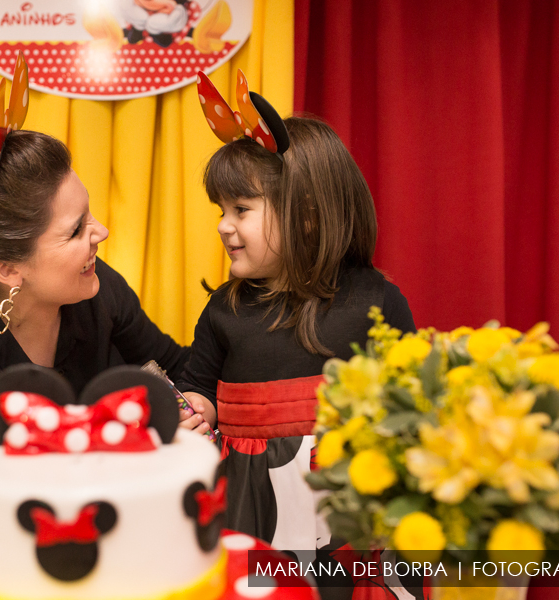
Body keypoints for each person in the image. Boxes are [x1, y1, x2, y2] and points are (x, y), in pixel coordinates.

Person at [0, 131, 190, 547]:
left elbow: (178, 367)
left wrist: (194, 404)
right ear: (6, 270)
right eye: (76, 230)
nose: (103, 232)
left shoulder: (96, 287)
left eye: (89, 216)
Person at [177, 117, 416, 554]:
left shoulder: (377, 303)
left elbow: (411, 404)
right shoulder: (224, 310)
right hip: (253, 518)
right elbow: (199, 384)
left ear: (305, 217)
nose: (223, 225)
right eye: (222, 211)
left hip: (350, 523)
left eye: (241, 210)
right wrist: (196, 408)